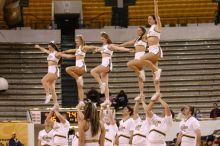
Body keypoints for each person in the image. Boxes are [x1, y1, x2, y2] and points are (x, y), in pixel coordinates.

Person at [83, 32, 132, 107]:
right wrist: (96, 50)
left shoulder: (110, 45)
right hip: (104, 64)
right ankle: (107, 100)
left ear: (106, 39)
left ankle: (100, 84)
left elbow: (118, 48)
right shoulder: (103, 46)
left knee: (93, 71)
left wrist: (128, 50)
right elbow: (98, 49)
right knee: (106, 84)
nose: (101, 40)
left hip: (107, 64)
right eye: (101, 39)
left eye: (103, 39)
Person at [35, 42, 74, 106]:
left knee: (43, 80)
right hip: (50, 71)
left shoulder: (57, 53)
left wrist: (74, 56)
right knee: (52, 89)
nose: (49, 49)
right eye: (48, 48)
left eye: (50, 48)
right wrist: (39, 47)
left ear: (54, 47)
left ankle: (48, 95)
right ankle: (56, 104)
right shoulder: (50, 53)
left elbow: (65, 55)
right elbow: (44, 50)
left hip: (54, 71)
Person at [139, 0, 163, 100]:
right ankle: (157, 92)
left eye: (150, 18)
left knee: (141, 59)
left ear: (154, 20)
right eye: (147, 19)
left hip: (155, 50)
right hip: (151, 50)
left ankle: (157, 70)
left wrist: (155, 4)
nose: (148, 20)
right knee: (154, 75)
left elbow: (157, 16)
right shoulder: (150, 29)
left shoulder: (157, 26)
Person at [117, 26, 147, 100]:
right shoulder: (136, 39)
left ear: (143, 31)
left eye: (139, 30)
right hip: (136, 58)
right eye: (137, 30)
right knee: (139, 80)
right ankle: (141, 94)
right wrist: (120, 45)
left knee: (129, 64)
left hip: (141, 58)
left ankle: (139, 73)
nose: (137, 31)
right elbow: (128, 43)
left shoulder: (144, 37)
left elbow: (149, 33)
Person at [62, 35, 87, 107]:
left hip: (81, 67)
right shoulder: (78, 49)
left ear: (81, 41)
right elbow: (71, 50)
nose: (76, 42)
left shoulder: (83, 47)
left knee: (67, 69)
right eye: (76, 41)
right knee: (80, 87)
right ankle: (81, 101)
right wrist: (64, 51)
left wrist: (96, 48)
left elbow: (89, 47)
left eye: (78, 41)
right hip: (78, 69)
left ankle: (77, 77)